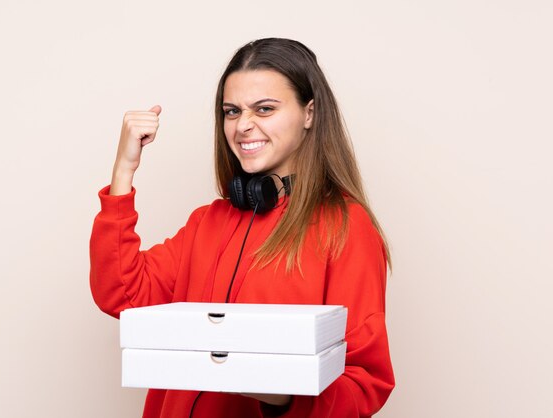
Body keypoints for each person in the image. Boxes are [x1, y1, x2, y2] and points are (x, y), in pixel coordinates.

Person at [90, 38, 394, 418]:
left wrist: (280, 395)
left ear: (309, 113)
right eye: (232, 111)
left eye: (264, 109)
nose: (243, 125)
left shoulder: (345, 227)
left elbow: (365, 382)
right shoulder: (208, 221)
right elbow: (121, 293)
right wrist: (124, 171)